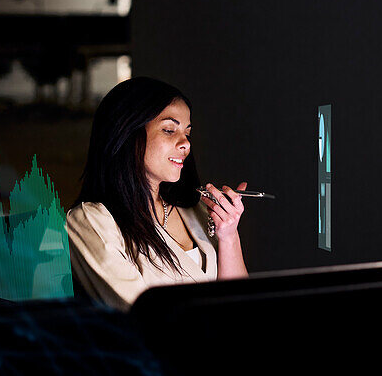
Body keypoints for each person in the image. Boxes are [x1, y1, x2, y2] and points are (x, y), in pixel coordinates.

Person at [66, 76, 249, 310]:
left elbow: (240, 303)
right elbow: (144, 318)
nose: (186, 144)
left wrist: (229, 235)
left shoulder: (197, 209)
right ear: (127, 134)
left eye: (187, 132)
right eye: (169, 130)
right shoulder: (93, 221)